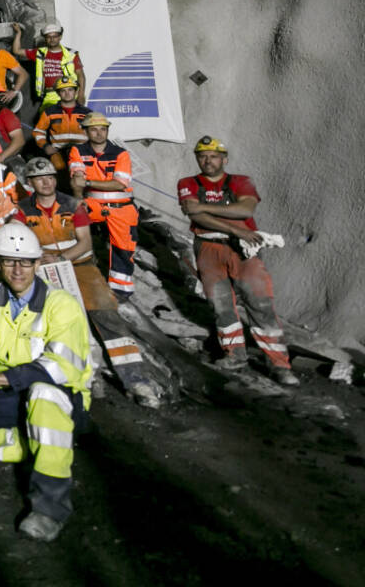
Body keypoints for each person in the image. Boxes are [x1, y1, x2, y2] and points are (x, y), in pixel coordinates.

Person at [0, 222, 93, 542]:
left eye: (26, 261)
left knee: (43, 396)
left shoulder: (62, 304)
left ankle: (50, 508)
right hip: (15, 394)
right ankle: (43, 449)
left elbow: (62, 367)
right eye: (9, 261)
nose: (18, 269)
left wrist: (1, 378)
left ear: (38, 263)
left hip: (63, 397)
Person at [19, 157, 161, 407]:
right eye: (40, 179)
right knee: (62, 324)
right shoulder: (22, 210)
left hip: (80, 266)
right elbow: (19, 240)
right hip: (45, 273)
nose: (47, 182)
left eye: (50, 177)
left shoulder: (72, 204)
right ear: (30, 182)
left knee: (108, 316)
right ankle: (88, 377)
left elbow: (85, 241)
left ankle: (137, 380)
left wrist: (60, 257)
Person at [177, 136, 297, 384]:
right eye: (202, 156)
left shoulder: (241, 181)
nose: (207, 161)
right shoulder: (187, 182)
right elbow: (194, 215)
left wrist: (203, 208)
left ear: (224, 158)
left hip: (243, 251)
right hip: (209, 248)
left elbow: (245, 210)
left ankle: (279, 364)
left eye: (213, 156)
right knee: (221, 306)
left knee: (260, 304)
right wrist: (236, 229)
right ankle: (235, 355)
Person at [69, 113, 139, 301]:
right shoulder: (78, 150)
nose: (99, 133)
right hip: (93, 203)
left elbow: (120, 183)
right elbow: (76, 179)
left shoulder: (120, 153)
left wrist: (88, 181)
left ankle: (121, 292)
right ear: (86, 131)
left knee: (122, 248)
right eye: (94, 129)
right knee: (69, 226)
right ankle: (75, 276)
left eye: (103, 129)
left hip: (121, 207)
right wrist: (78, 199)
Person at [12, 21, 86, 109]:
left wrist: (81, 95)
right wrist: (18, 33)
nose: (52, 39)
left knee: (70, 121)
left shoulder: (71, 54)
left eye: (55, 36)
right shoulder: (40, 52)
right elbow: (16, 51)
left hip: (69, 94)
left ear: (60, 37)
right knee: (48, 120)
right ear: (45, 38)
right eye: (48, 37)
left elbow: (80, 75)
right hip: (50, 95)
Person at [31, 78, 91, 172]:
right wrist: (46, 146)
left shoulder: (87, 113)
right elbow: (38, 132)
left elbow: (94, 132)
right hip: (58, 152)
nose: (67, 93)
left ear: (75, 91)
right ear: (58, 93)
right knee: (60, 173)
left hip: (82, 153)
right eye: (63, 90)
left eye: (70, 90)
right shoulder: (50, 112)